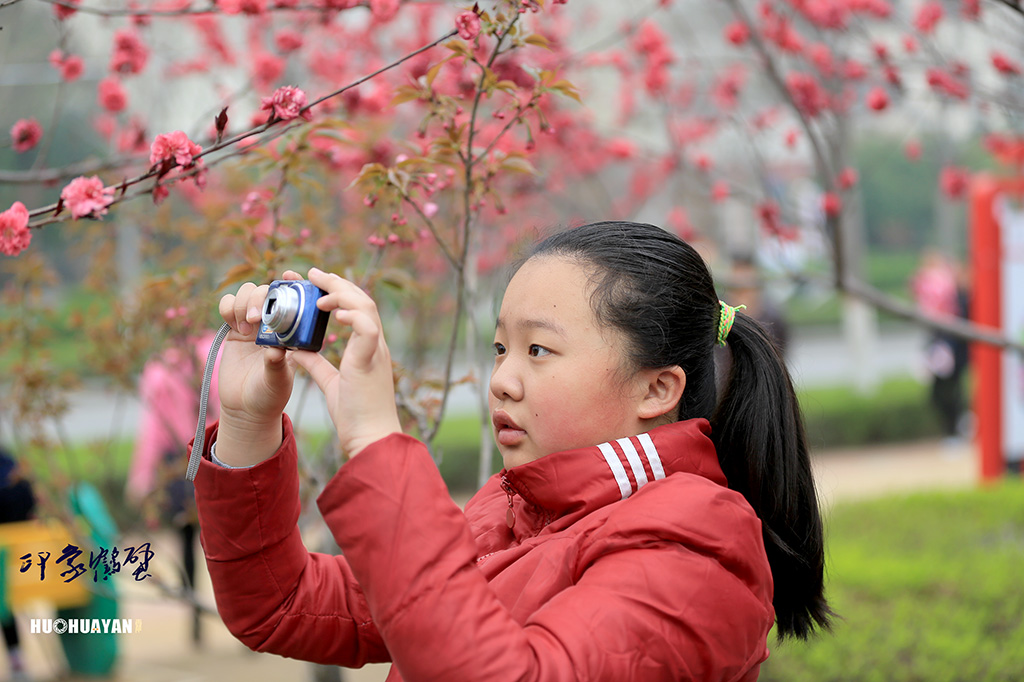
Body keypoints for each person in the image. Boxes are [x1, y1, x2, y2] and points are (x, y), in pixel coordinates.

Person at [193, 221, 832, 681]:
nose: (502, 378)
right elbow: (279, 604)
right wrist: (249, 421)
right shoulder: (509, 509)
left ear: (657, 388)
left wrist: (378, 446)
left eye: (539, 350)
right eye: (501, 348)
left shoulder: (695, 541)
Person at [127, 333, 220, 645]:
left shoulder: (159, 370)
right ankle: (235, 613)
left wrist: (142, 478)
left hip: (178, 462)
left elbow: (151, 430)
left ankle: (195, 613)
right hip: (213, 450)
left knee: (187, 541)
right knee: (223, 539)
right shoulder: (214, 355)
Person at [1, 446, 36, 682]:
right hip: (19, 550)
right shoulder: (8, 461)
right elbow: (28, 501)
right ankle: (17, 658)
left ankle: (16, 658)